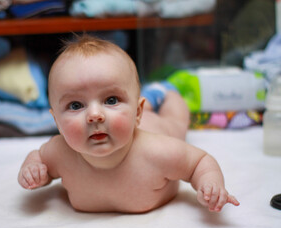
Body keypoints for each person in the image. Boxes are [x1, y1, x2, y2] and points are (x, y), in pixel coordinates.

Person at [18, 34, 240, 213]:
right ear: (56, 120)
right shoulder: (59, 153)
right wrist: (34, 171)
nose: (95, 115)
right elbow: (38, 157)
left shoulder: (159, 151)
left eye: (111, 100)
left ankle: (167, 93)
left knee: (176, 121)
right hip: (134, 115)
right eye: (76, 105)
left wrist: (209, 183)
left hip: (157, 127)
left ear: (137, 113)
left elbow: (199, 162)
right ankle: (147, 96)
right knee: (139, 103)